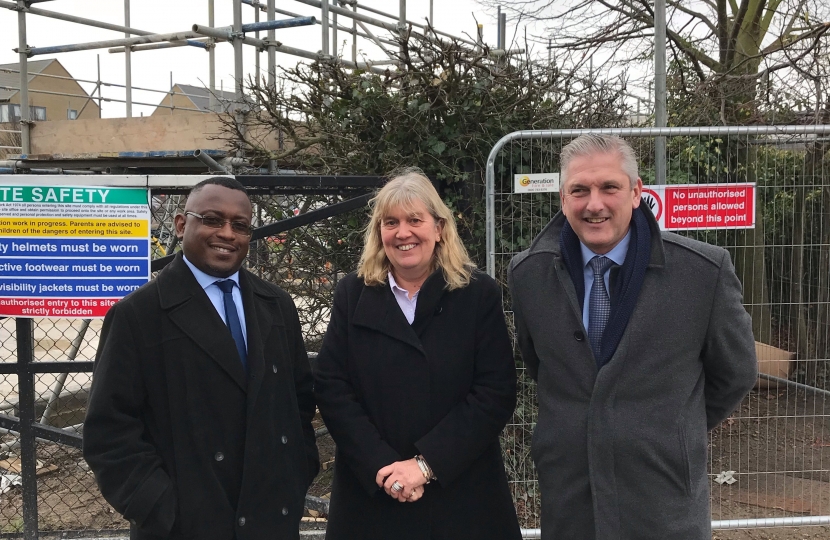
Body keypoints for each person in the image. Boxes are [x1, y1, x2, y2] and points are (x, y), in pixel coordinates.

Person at [508, 134, 758, 540]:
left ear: (636, 191)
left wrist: (671, 428)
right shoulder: (528, 275)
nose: (594, 204)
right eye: (579, 190)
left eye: (609, 187)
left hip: (663, 504)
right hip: (572, 503)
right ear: (562, 198)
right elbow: (540, 364)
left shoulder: (702, 273)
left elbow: (736, 373)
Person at [83, 177, 319, 540]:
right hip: (186, 526)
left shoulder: (277, 305)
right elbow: (109, 430)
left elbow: (299, 400)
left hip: (271, 518)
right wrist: (158, 505)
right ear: (181, 225)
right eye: (212, 219)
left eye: (240, 225)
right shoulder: (138, 315)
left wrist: (298, 471)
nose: (227, 233)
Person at [314, 168, 522, 540]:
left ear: (439, 228)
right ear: (380, 232)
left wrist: (425, 465)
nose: (403, 233)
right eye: (390, 222)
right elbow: (332, 386)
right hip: (374, 494)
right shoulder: (352, 294)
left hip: (462, 493)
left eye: (415, 220)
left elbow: (495, 391)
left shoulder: (478, 295)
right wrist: (383, 466)